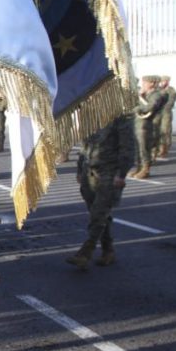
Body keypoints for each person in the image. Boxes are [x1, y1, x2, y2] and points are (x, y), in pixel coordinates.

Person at [66, 114, 135, 269]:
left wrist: (121, 174)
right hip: (89, 171)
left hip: (109, 173)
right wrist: (79, 169)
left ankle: (85, 253)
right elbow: (85, 147)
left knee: (99, 213)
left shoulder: (121, 117)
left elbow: (128, 148)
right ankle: (108, 250)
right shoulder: (91, 115)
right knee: (98, 213)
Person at [131, 75, 166, 179]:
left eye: (145, 82)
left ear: (152, 83)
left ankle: (145, 169)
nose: (143, 84)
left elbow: (150, 107)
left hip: (146, 124)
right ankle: (139, 167)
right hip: (138, 123)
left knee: (144, 147)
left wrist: (137, 108)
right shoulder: (144, 94)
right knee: (138, 147)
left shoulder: (156, 95)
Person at [156, 75, 176, 158]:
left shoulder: (172, 91)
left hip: (166, 113)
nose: (161, 83)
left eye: (163, 81)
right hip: (157, 113)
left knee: (165, 130)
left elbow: (170, 102)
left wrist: (161, 106)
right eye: (161, 81)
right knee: (157, 130)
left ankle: (165, 149)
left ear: (167, 81)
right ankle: (159, 148)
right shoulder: (158, 89)